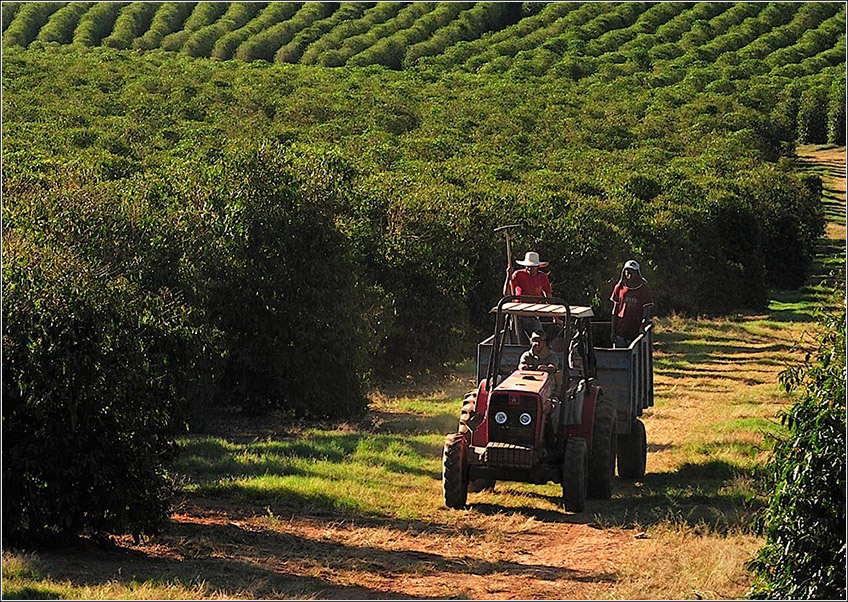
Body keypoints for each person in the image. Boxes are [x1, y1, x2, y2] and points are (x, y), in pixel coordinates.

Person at [504, 251, 553, 340]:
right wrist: (508, 276)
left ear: (537, 267)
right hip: (518, 313)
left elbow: (548, 297)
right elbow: (506, 293)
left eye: (533, 267)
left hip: (533, 314)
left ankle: (537, 352)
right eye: (528, 266)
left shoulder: (543, 277)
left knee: (539, 337)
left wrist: (555, 317)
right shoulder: (518, 275)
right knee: (517, 339)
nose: (530, 269)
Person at [610, 259, 654, 348]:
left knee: (633, 358)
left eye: (632, 272)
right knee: (620, 357)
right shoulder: (619, 287)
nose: (629, 274)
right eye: (627, 271)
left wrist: (643, 325)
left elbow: (646, 311)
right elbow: (615, 311)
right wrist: (613, 332)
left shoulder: (644, 289)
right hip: (621, 330)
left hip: (635, 331)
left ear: (637, 273)